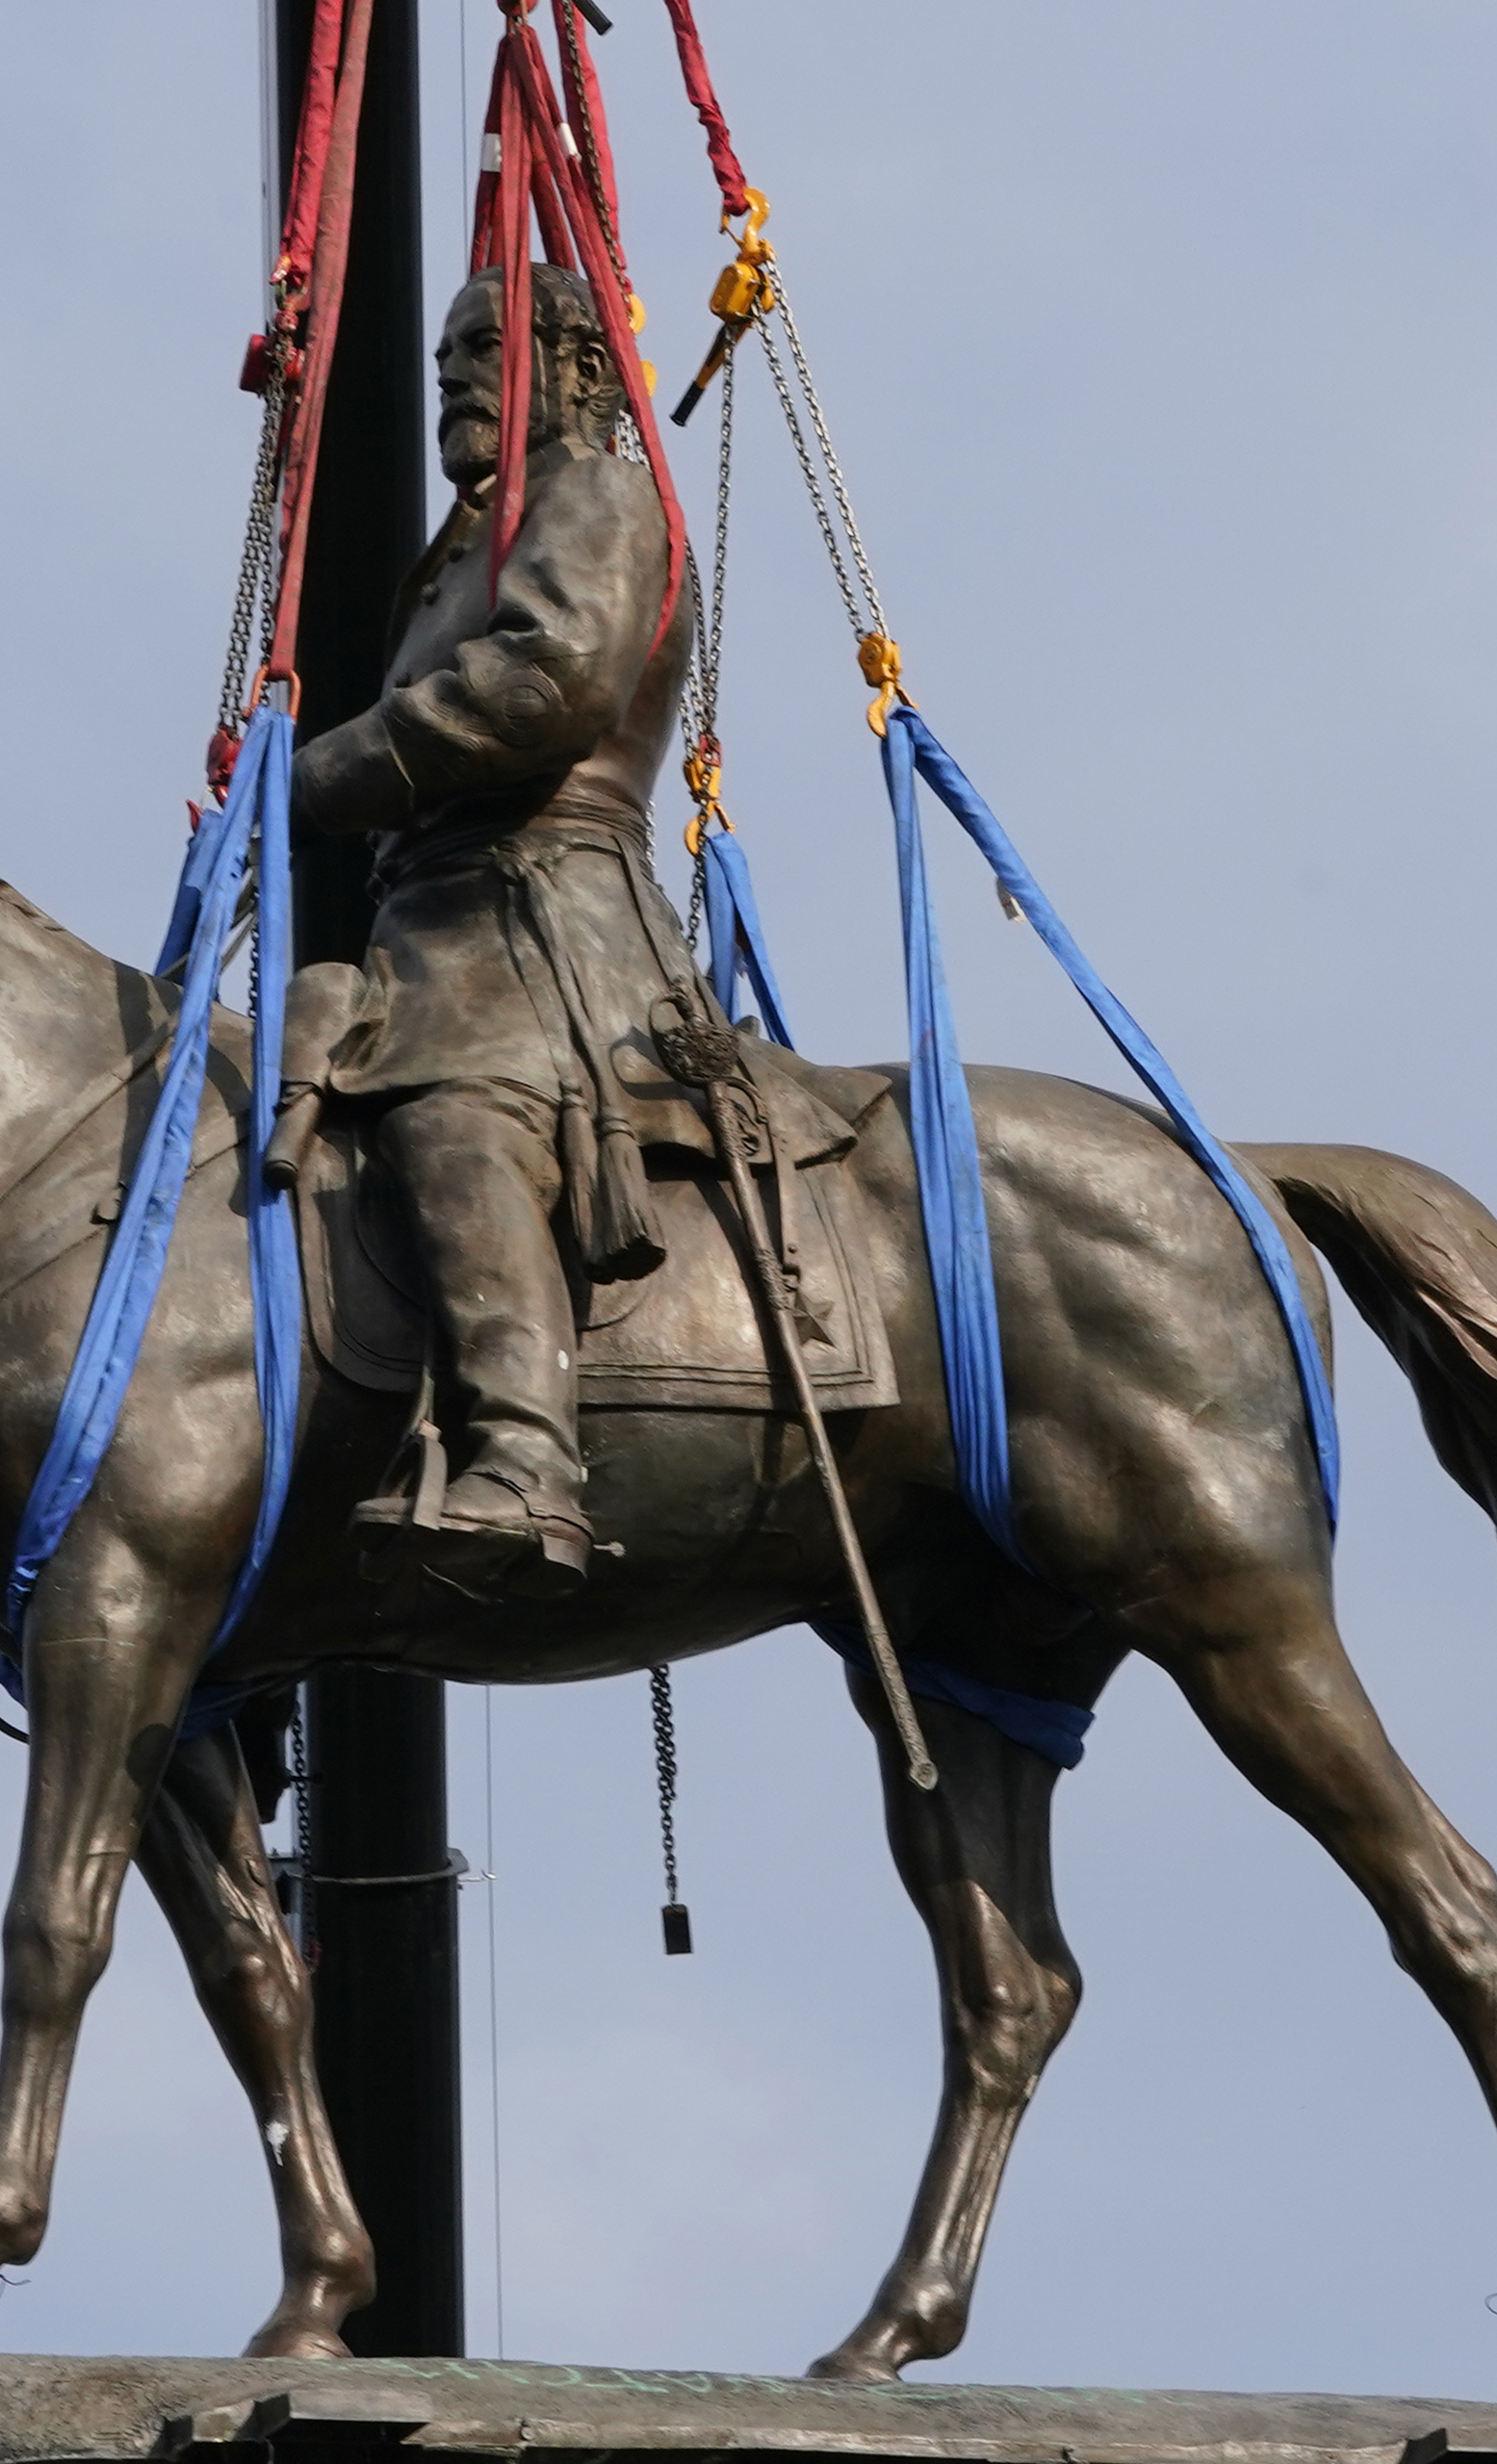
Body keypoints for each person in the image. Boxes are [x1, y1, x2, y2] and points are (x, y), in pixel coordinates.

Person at [289, 263, 853, 1597]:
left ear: (578, 363)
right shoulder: (459, 552)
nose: (454, 376)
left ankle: (525, 1460)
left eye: (484, 346)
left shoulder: (598, 491)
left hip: (543, 918)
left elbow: (546, 683)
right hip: (426, 921)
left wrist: (317, 776)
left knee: (452, 1117)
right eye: (444, 357)